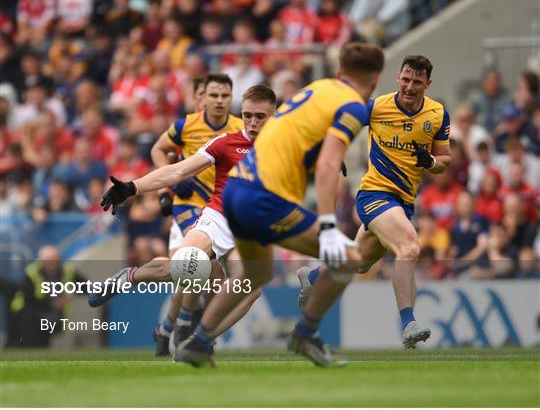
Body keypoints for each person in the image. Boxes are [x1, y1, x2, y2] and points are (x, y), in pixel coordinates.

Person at [172, 42, 385, 367]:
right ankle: (306, 334)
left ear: (339, 72)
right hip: (266, 195)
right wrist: (328, 225)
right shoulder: (352, 106)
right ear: (374, 80)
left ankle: (198, 341)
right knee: (350, 257)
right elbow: (329, 165)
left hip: (235, 189)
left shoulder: (316, 89)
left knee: (257, 273)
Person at [90, 85, 277, 354]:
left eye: (260, 116)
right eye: (247, 115)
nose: (252, 122)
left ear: (274, 114)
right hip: (219, 219)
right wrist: (132, 188)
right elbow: (177, 171)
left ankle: (199, 342)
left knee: (250, 289)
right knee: (187, 268)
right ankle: (128, 277)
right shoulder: (226, 142)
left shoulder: (285, 144)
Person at [298, 55, 452, 356]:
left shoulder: (437, 114)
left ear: (427, 84)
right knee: (409, 247)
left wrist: (431, 162)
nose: (409, 86)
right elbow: (337, 121)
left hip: (404, 201)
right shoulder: (378, 107)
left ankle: (312, 277)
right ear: (398, 78)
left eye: (417, 82)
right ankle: (408, 324)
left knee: (359, 262)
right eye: (405, 80)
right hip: (375, 195)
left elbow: (445, 159)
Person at [8, 245, 87, 347]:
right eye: (48, 262)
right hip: (28, 313)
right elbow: (29, 300)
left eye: (54, 262)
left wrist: (68, 295)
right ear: (42, 262)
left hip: (54, 315)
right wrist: (52, 304)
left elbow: (86, 287)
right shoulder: (32, 272)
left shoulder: (68, 270)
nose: (51, 265)